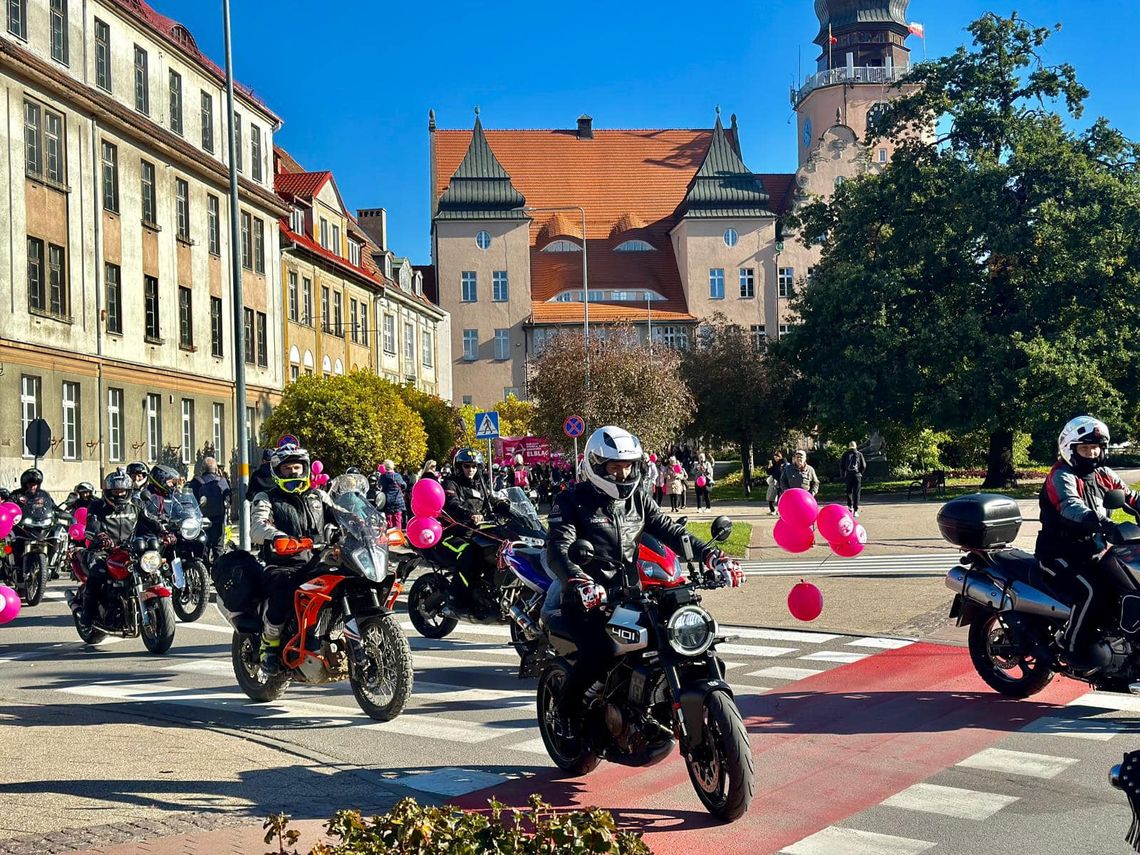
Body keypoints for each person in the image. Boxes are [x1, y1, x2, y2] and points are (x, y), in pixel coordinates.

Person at [544, 426, 744, 731]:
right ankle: (566, 714)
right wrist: (578, 580)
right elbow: (559, 548)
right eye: (614, 467)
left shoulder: (637, 498)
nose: (623, 475)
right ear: (596, 465)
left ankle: (658, 702)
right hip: (588, 600)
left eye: (627, 466)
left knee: (680, 636)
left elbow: (671, 531)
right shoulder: (571, 500)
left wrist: (712, 556)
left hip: (632, 595)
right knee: (599, 654)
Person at [1036, 417, 1140, 668]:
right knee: (1093, 591)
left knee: (1128, 584)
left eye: (1096, 448)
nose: (1092, 453)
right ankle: (1072, 647)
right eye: (1085, 448)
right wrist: (1104, 524)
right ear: (1070, 449)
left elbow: (1131, 497)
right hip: (1060, 554)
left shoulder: (1103, 474)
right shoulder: (1061, 475)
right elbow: (1070, 506)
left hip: (1096, 550)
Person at [249, 444, 337, 675]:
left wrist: (363, 525)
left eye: (298, 467)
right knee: (284, 590)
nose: (294, 472)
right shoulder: (267, 497)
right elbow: (257, 527)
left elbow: (343, 514)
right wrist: (279, 536)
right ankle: (269, 644)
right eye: (287, 468)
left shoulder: (318, 496)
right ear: (278, 472)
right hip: (282, 562)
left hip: (318, 560)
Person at [79, 469, 164, 625]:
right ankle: (88, 614)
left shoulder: (136, 504)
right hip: (101, 550)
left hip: (128, 549)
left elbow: (150, 520)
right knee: (98, 572)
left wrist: (164, 531)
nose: (119, 494)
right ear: (108, 491)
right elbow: (91, 526)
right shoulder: (97, 506)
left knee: (148, 568)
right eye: (116, 491)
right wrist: (101, 536)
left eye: (122, 491)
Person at [437, 448, 510, 610]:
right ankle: (456, 598)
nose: (471, 470)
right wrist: (470, 514)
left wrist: (507, 507)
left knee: (500, 551)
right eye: (467, 466)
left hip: (478, 533)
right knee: (468, 554)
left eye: (474, 466)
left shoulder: (480, 485)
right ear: (459, 467)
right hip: (453, 534)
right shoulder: (451, 483)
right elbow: (452, 503)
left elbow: (491, 501)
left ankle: (490, 592)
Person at [189, 457, 231, 555]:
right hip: (219, 519)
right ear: (216, 469)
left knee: (203, 546)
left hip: (201, 521)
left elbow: (190, 501)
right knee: (218, 547)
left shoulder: (196, 482)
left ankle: (204, 568)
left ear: (202, 469)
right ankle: (218, 568)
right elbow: (229, 500)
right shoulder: (222, 481)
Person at [377, 460, 407, 530]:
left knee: (389, 520)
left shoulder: (382, 477)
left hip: (387, 501)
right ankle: (398, 537)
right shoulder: (397, 476)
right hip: (397, 501)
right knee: (397, 520)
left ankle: (390, 538)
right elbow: (404, 485)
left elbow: (379, 485)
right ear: (392, 466)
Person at [839, 442, 867, 517]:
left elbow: (842, 465)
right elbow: (863, 465)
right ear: (856, 447)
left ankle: (849, 506)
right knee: (856, 492)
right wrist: (860, 472)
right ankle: (856, 509)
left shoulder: (845, 454)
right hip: (857, 475)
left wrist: (843, 474)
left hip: (848, 475)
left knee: (849, 491)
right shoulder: (859, 454)